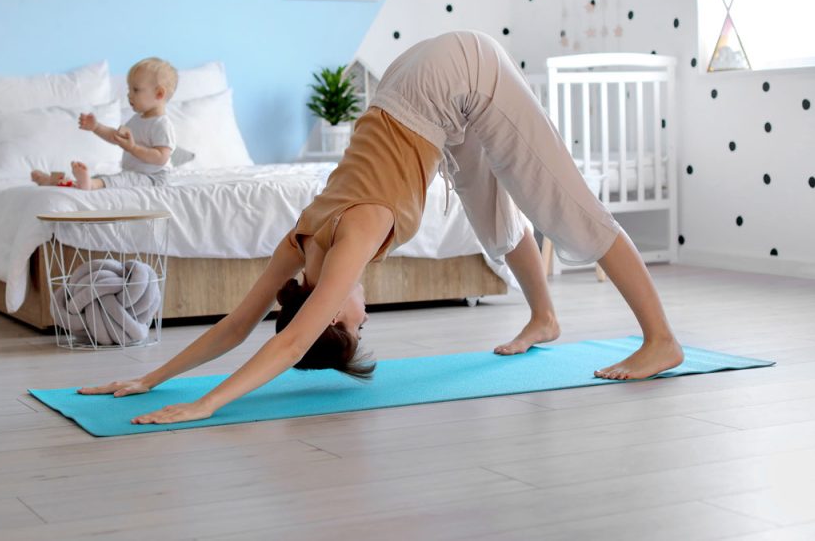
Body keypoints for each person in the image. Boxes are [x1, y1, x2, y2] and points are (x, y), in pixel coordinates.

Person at [80, 31, 685, 425]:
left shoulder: (355, 236)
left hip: (454, 74)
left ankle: (660, 338)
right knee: (492, 220)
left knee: (568, 214)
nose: (366, 318)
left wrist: (205, 405)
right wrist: (150, 377)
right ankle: (544, 317)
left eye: (352, 326)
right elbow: (240, 325)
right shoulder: (301, 241)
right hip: (413, 90)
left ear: (328, 313)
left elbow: (286, 343)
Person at [32, 57, 178, 190]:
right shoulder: (137, 119)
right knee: (107, 178)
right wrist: (96, 127)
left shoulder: (161, 124)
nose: (129, 94)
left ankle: (88, 184)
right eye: (129, 89)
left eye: (135, 89)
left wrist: (133, 148)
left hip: (154, 178)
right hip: (135, 174)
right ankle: (62, 182)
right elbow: (116, 137)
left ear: (159, 94)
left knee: (122, 180)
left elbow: (161, 157)